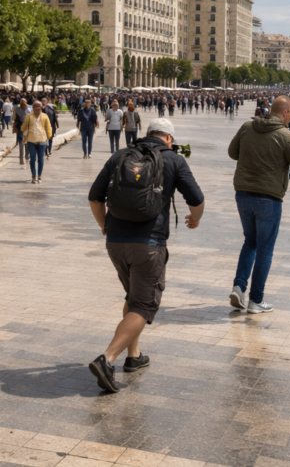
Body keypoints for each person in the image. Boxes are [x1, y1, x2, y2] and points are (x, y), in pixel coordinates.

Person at [86, 118, 205, 393]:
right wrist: (195, 219)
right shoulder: (174, 160)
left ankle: (133, 356)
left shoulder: (120, 155)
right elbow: (196, 200)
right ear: (169, 139)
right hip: (149, 245)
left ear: (147, 134)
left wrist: (104, 225)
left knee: (132, 298)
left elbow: (94, 197)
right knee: (143, 305)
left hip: (115, 243)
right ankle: (107, 358)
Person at [227, 96, 290, 314]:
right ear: (286, 113)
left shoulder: (247, 126)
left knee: (250, 242)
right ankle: (256, 300)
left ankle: (238, 287)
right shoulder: (286, 136)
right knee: (264, 249)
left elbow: (232, 152)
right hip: (268, 199)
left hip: (243, 194)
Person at [21, 99, 52, 184]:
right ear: (33, 108)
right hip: (31, 140)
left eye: (39, 108)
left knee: (40, 159)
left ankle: (39, 176)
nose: (37, 110)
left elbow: (48, 127)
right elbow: (24, 126)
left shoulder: (45, 116)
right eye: (36, 108)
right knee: (33, 159)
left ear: (41, 107)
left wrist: (49, 136)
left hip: (42, 140)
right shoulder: (29, 116)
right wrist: (23, 130)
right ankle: (34, 176)